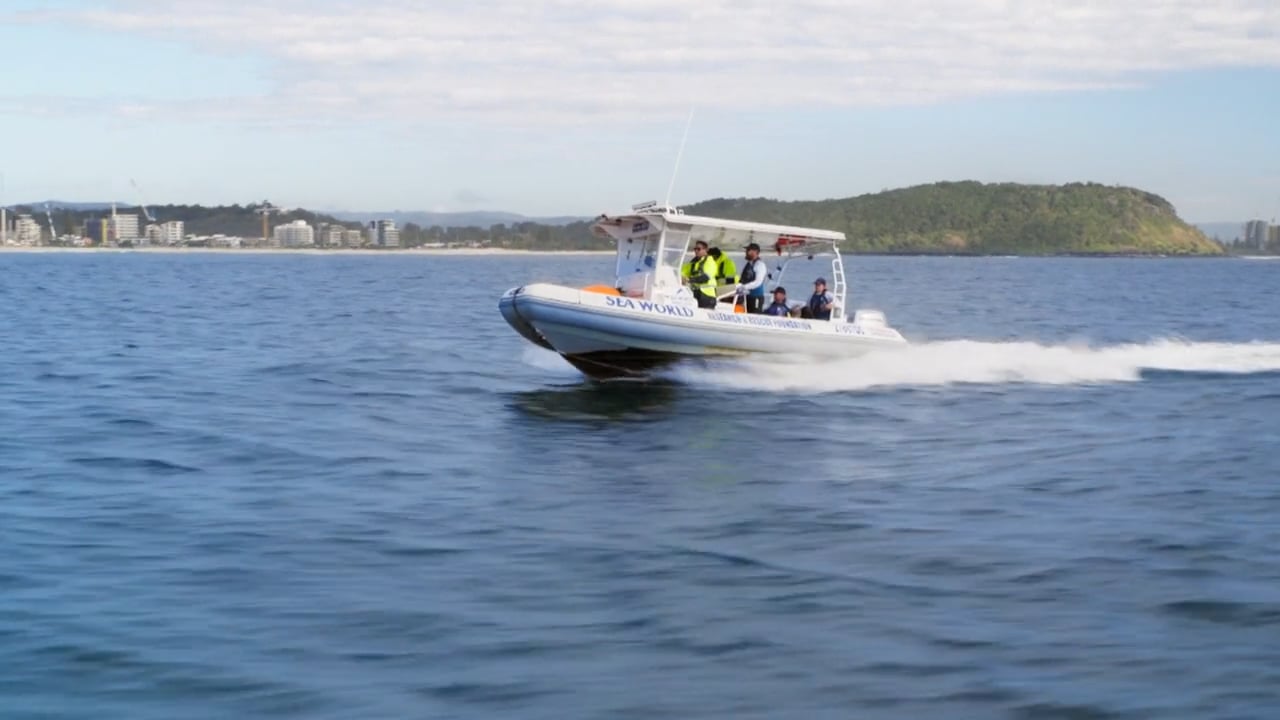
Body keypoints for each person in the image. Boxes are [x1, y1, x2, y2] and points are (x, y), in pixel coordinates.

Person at [683, 240, 719, 309]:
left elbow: (706, 277)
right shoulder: (693, 263)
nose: (696, 251)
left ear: (705, 250)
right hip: (695, 293)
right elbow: (681, 271)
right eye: (695, 249)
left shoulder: (710, 261)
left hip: (707, 295)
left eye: (698, 249)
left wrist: (689, 280)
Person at [734, 242, 769, 314]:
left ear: (755, 252)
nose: (746, 252)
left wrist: (744, 287)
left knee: (755, 314)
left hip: (756, 297)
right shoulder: (749, 264)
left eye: (748, 250)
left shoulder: (760, 265)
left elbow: (758, 282)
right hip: (747, 296)